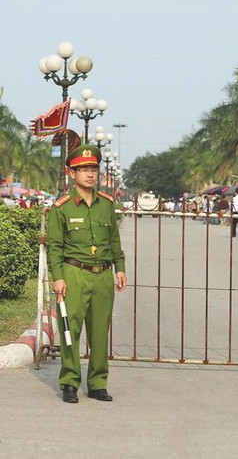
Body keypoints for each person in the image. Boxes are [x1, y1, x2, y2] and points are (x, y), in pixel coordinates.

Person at [47, 144, 127, 403]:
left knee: (100, 331)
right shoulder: (62, 207)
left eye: (93, 169)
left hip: (102, 275)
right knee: (70, 330)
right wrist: (58, 277)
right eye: (84, 170)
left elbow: (114, 240)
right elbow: (54, 246)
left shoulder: (107, 205)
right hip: (73, 274)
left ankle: (97, 383)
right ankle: (70, 382)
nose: (90, 174)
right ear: (72, 173)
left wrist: (120, 267)